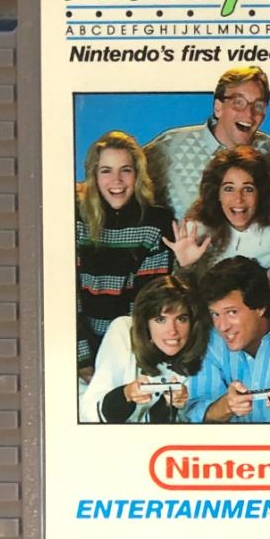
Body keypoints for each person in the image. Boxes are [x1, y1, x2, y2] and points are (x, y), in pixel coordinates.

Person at [75, 131, 175, 376]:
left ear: (137, 174)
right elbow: (66, 299)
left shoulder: (155, 222)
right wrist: (82, 361)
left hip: (132, 349)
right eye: (106, 171)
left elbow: (148, 303)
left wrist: (127, 361)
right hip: (78, 348)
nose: (117, 180)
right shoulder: (75, 218)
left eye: (126, 170)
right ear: (94, 176)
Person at [184, 256, 270, 423]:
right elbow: (192, 416)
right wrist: (226, 406)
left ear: (260, 307)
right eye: (215, 314)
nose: (222, 326)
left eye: (231, 312)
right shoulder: (211, 344)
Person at [144, 66, 270, 219]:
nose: (249, 113)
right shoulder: (170, 147)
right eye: (238, 102)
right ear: (218, 107)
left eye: (258, 106)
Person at [79, 275, 208, 424]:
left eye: (181, 319)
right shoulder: (123, 330)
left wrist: (172, 406)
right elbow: (89, 414)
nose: (172, 331)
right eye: (160, 320)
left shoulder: (203, 348)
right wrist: (125, 395)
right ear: (145, 323)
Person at [164, 143, 270, 276]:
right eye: (229, 189)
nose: (238, 199)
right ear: (217, 193)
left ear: (261, 193)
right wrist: (185, 266)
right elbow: (180, 286)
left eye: (248, 189)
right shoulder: (197, 232)